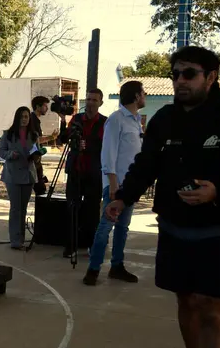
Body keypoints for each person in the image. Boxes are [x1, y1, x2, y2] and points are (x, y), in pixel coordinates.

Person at [105, 46, 220, 348]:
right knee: (187, 301)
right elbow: (146, 165)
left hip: (219, 229)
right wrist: (122, 197)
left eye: (189, 73)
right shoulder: (164, 118)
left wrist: (219, 190)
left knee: (213, 307)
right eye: (175, 74)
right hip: (173, 227)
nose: (180, 80)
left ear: (211, 77)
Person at [83, 80, 146, 286]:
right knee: (106, 226)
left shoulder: (135, 120)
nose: (144, 96)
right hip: (116, 184)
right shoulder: (116, 119)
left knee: (123, 228)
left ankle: (117, 266)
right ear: (136, 96)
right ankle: (93, 268)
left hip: (130, 185)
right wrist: (113, 184)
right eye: (143, 93)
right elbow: (108, 153)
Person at [57, 88, 106, 257]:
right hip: (76, 170)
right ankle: (71, 245)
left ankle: (91, 244)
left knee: (92, 211)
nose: (91, 103)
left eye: (94, 100)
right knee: (72, 209)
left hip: (94, 172)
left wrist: (88, 146)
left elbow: (106, 146)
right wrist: (63, 121)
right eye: (88, 99)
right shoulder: (77, 119)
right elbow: (63, 139)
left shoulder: (105, 122)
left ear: (100, 103)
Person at [0, 106, 40, 250]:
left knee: (24, 208)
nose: (24, 119)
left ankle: (21, 237)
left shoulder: (34, 135)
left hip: (28, 175)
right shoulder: (8, 134)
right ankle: (15, 239)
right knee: (15, 208)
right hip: (13, 175)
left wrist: (37, 157)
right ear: (17, 118)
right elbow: (1, 151)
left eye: (26, 117)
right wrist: (10, 155)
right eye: (21, 116)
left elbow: (37, 154)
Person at [30, 96, 50, 195]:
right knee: (40, 188)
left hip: (36, 159)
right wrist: (51, 138)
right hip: (33, 160)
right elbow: (35, 140)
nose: (47, 108)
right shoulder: (32, 119)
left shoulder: (36, 120)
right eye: (45, 106)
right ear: (38, 107)